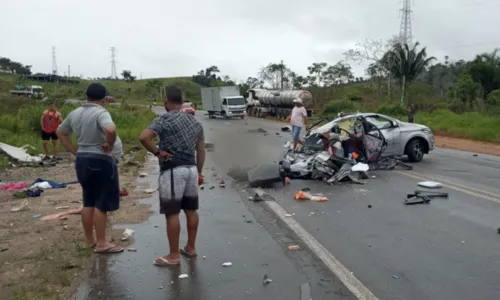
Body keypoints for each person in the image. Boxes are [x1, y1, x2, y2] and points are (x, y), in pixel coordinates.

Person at [139, 85, 205, 266]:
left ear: (165, 101)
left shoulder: (163, 119)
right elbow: (201, 150)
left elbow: (144, 137)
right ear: (183, 102)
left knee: (172, 212)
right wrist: (199, 171)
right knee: (191, 210)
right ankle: (190, 248)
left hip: (172, 169)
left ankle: (174, 255)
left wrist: (157, 152)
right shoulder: (195, 122)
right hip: (191, 169)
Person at [56, 83, 123, 254]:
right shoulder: (100, 112)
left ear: (87, 96)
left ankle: (89, 240)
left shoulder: (75, 113)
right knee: (101, 203)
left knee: (88, 201)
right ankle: (102, 243)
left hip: (82, 160)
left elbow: (60, 132)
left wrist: (74, 151)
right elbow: (110, 128)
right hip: (100, 159)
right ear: (104, 99)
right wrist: (110, 143)